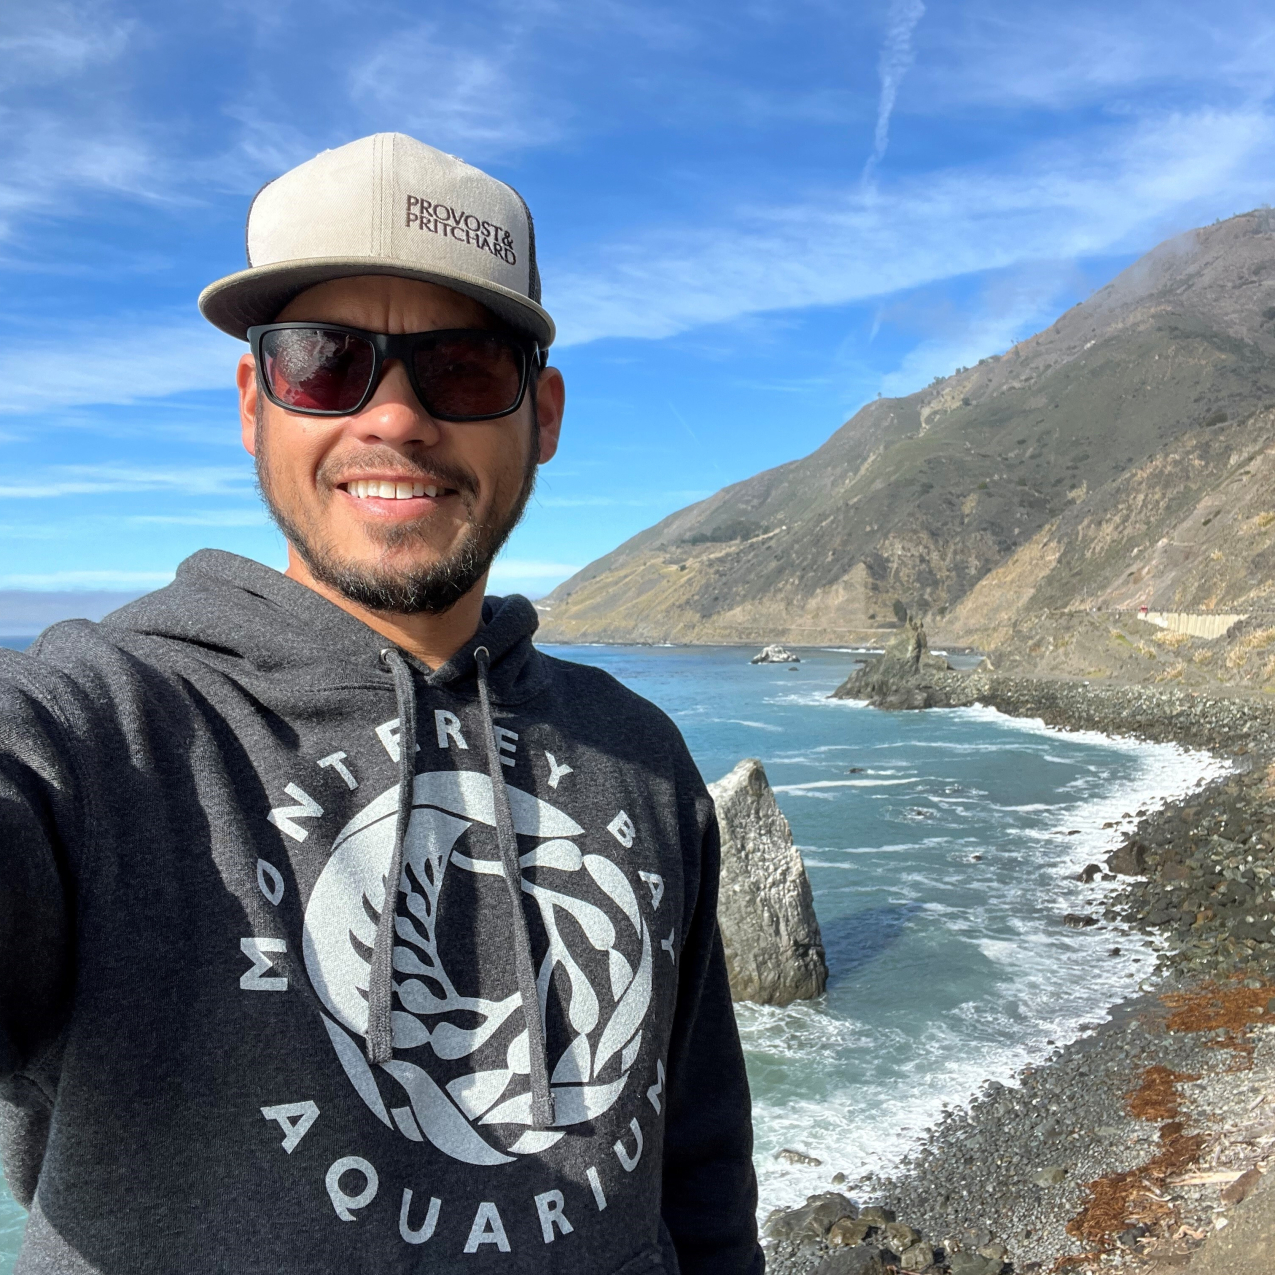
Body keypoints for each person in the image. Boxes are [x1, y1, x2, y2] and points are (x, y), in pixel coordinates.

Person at [0, 134, 762, 1274]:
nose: (396, 420)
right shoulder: (113, 724)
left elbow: (700, 1170)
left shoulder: (639, 754)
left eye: (460, 368)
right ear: (256, 404)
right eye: (326, 362)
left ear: (541, 416)